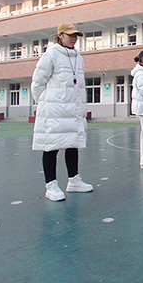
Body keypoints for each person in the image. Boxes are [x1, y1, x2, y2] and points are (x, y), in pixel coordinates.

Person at [31, 22, 93, 202]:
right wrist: (44, 102)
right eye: (70, 35)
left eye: (76, 36)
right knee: (51, 146)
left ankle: (74, 180)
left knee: (73, 143)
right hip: (54, 109)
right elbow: (37, 82)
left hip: (73, 109)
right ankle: (50, 185)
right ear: (60, 36)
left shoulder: (78, 57)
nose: (74, 39)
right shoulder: (51, 55)